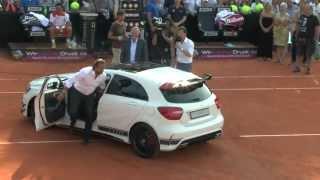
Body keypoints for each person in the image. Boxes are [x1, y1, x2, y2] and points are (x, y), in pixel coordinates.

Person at [62, 59, 107, 144]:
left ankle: (87, 137)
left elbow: (102, 85)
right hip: (77, 91)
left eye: (103, 68)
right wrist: (64, 92)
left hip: (89, 94)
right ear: (95, 67)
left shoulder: (103, 75)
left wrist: (100, 93)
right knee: (72, 112)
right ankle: (73, 120)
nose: (102, 70)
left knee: (89, 114)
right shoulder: (85, 71)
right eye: (101, 68)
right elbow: (71, 80)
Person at [294, 4, 320, 74]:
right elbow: (298, 26)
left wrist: (316, 38)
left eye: (306, 9)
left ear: (310, 9)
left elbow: (317, 29)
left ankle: (308, 68)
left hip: (310, 39)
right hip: (301, 37)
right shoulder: (301, 16)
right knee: (298, 53)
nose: (305, 10)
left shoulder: (315, 18)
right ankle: (297, 67)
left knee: (309, 54)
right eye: (304, 9)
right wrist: (296, 35)